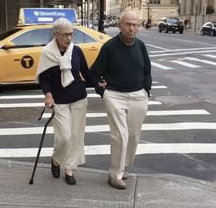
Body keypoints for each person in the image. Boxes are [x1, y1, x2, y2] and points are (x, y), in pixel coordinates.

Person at [90, 11, 152, 190]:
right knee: (120, 136)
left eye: (135, 24)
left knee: (133, 136)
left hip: (138, 95)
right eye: (128, 24)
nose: (131, 28)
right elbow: (95, 72)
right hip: (115, 95)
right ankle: (114, 174)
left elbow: (147, 70)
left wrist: (146, 90)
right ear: (120, 25)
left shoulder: (140, 46)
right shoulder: (110, 47)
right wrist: (102, 90)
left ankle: (122, 167)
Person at [36, 18, 92, 185]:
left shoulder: (76, 51)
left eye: (71, 34)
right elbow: (44, 78)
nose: (69, 38)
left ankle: (69, 169)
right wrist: (48, 95)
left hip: (78, 97)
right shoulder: (48, 52)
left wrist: (100, 85)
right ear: (56, 34)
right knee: (65, 137)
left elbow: (86, 73)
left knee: (76, 136)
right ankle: (56, 160)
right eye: (65, 35)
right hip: (59, 100)